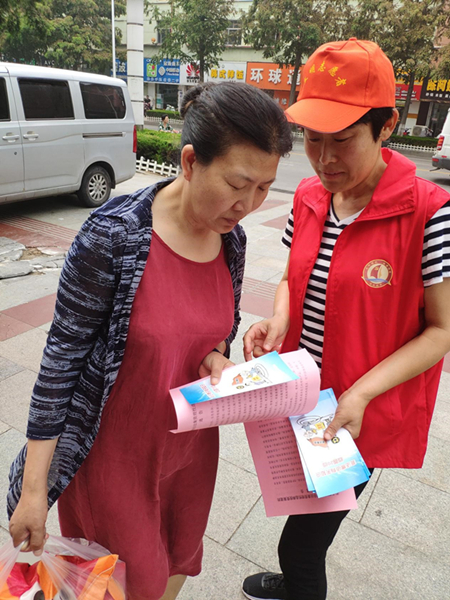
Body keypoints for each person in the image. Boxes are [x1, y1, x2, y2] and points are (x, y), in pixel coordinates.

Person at [7, 81, 293, 600]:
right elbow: (60, 364)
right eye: (238, 184)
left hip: (189, 452)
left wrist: (217, 355)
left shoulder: (232, 240)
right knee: (128, 584)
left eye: (264, 188)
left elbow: (218, 329)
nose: (248, 204)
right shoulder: (113, 236)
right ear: (190, 162)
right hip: (115, 459)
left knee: (178, 560)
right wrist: (33, 491)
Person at [241, 38, 450, 600]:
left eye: (343, 140)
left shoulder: (429, 212)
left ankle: (296, 582)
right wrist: (279, 319)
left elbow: (442, 330)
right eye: (313, 139)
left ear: (387, 127)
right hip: (304, 397)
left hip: (356, 415)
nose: (325, 159)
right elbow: (293, 276)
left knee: (301, 546)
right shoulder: (310, 196)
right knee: (299, 504)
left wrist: (359, 394)